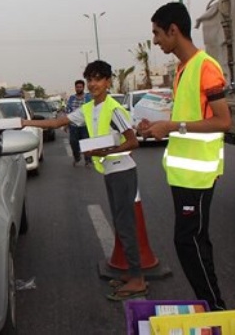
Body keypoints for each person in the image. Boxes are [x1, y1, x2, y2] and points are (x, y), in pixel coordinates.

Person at [23, 60, 147, 300]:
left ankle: (138, 279)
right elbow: (58, 122)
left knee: (125, 226)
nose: (93, 84)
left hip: (123, 172)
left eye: (98, 79)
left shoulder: (113, 109)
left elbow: (132, 142)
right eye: (90, 79)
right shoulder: (90, 108)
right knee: (121, 224)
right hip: (111, 172)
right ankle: (132, 274)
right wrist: (27, 122)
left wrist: (103, 152)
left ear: (108, 81)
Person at [140, 2, 230, 311]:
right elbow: (188, 116)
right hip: (183, 174)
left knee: (189, 241)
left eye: (156, 33)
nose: (155, 41)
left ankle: (214, 308)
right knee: (193, 241)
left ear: (173, 30)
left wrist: (172, 125)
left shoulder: (206, 67)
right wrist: (157, 125)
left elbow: (223, 121)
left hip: (199, 175)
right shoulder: (182, 69)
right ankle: (210, 306)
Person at [65, 80, 92, 166]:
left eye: (80, 87)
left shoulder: (88, 98)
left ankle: (88, 160)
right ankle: (77, 157)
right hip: (73, 125)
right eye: (77, 87)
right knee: (73, 142)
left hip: (85, 125)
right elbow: (68, 111)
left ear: (83, 88)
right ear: (75, 88)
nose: (79, 88)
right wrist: (66, 124)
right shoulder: (72, 98)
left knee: (86, 143)